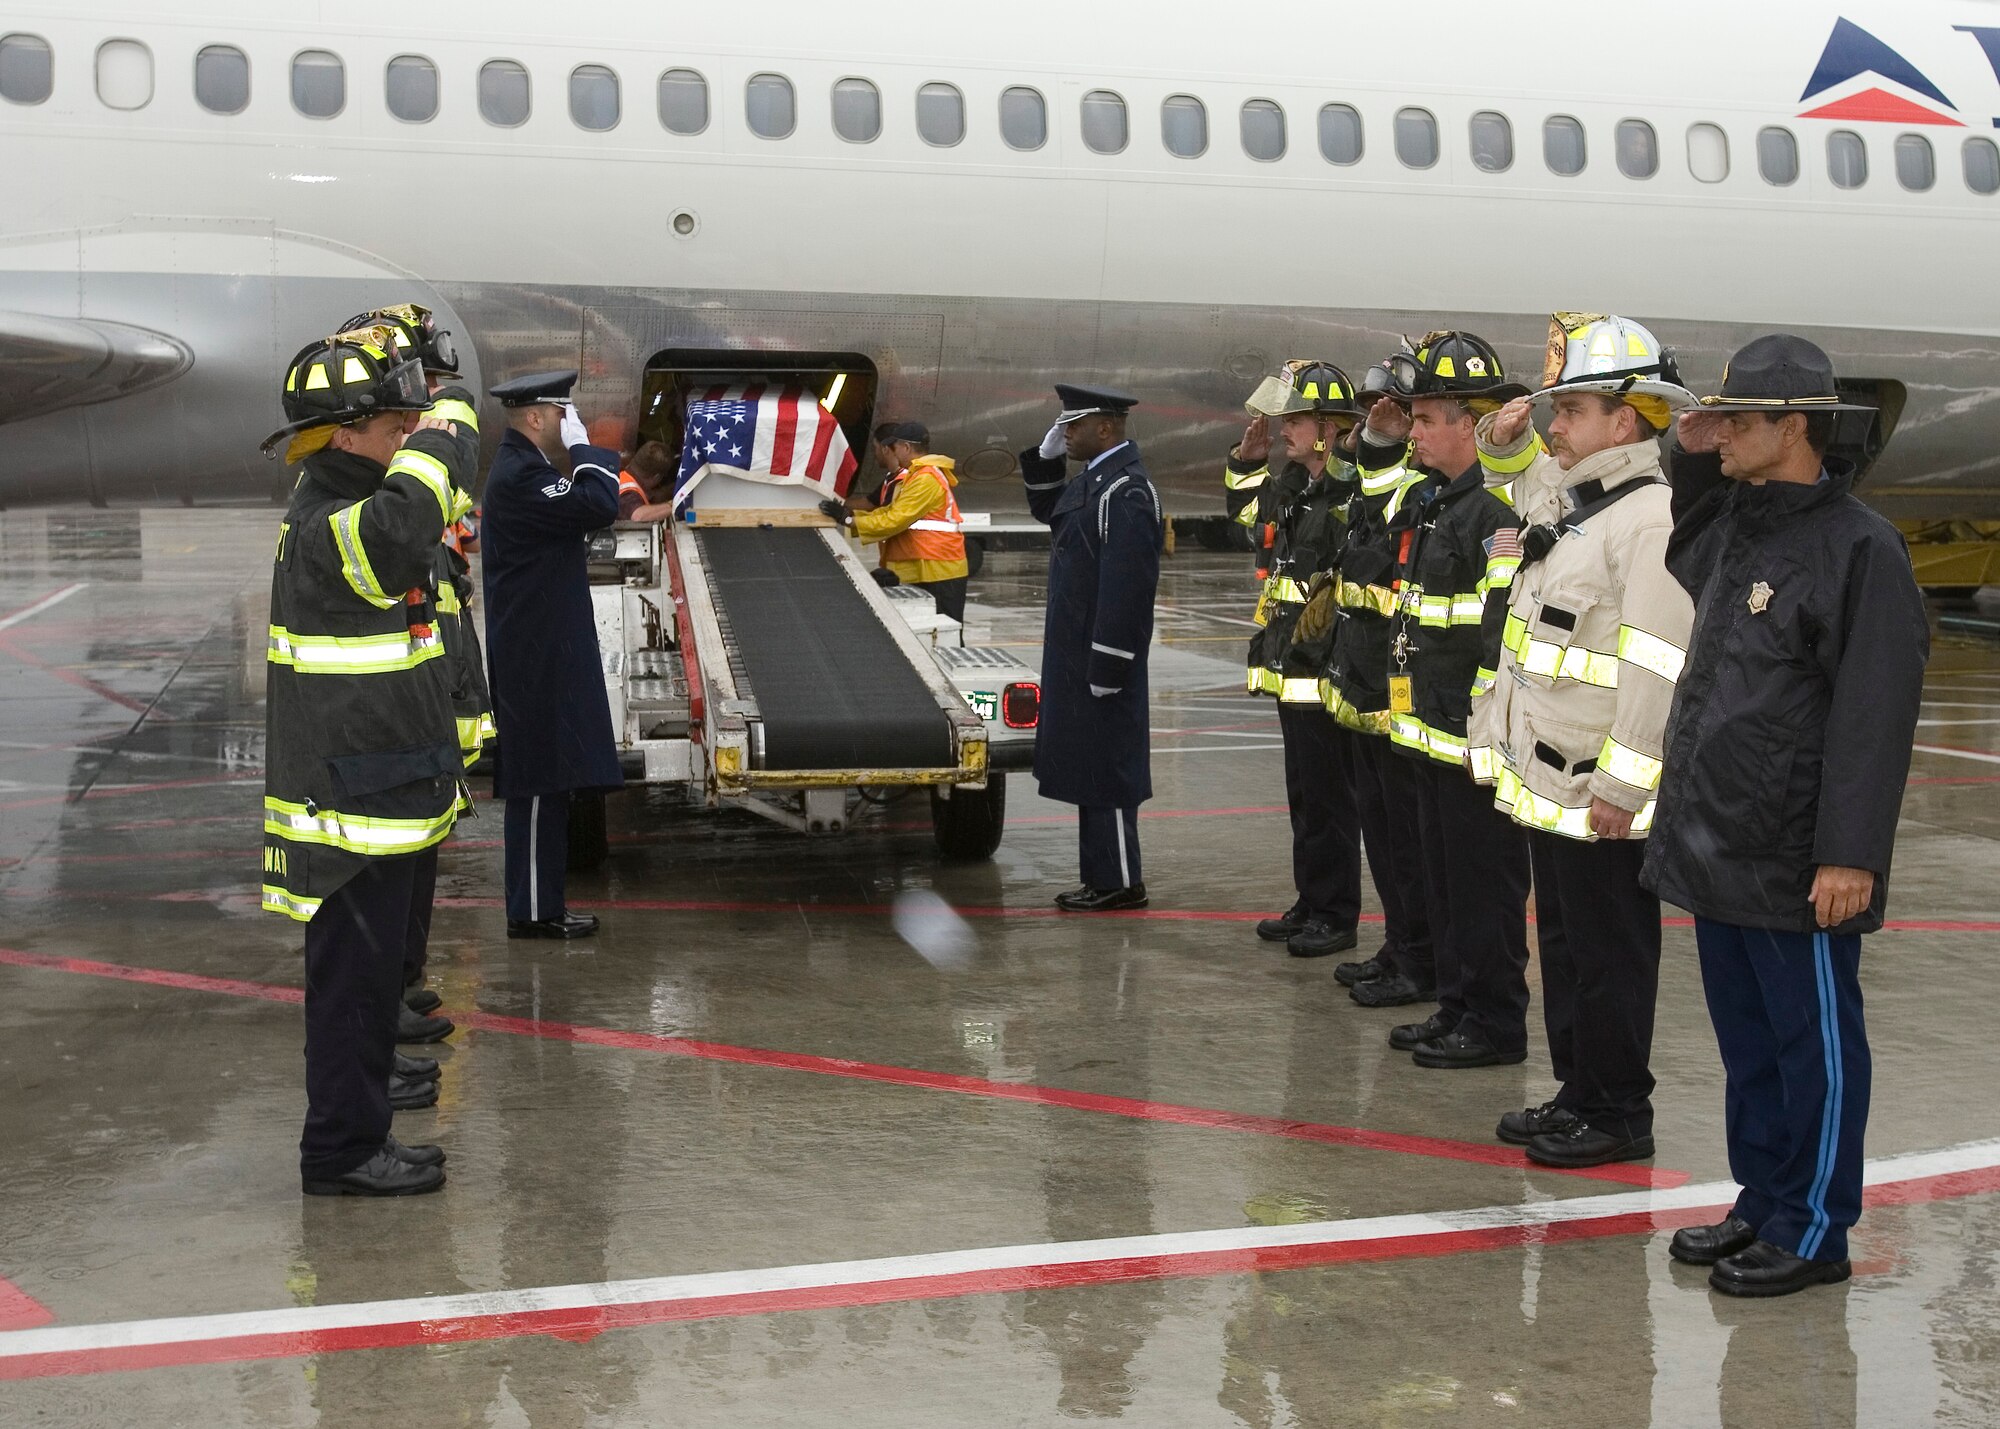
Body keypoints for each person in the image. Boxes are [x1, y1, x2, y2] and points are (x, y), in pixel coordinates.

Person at [1643, 334, 1929, 1297]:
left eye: (1736, 422)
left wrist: (1849, 854)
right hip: (1717, 835)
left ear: (1793, 429)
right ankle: (1762, 1198)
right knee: (1749, 1042)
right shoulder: (1741, 521)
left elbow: (1873, 716)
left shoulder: (1862, 549)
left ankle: (1815, 1227)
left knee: (1816, 1047)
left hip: (1796, 853)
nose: (1718, 434)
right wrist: (1690, 448)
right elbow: (1684, 547)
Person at [1468, 314, 1698, 1167]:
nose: (1553, 425)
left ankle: (1616, 1112)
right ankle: (1577, 1092)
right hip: (1555, 788)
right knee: (1565, 950)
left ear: (1626, 421)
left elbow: (1656, 664)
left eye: (1571, 410)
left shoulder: (1649, 521)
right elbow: (1523, 494)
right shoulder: (1582, 509)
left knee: (1609, 956)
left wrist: (1625, 786)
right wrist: (1509, 447)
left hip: (1602, 794)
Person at [258, 327, 462, 1195]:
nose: (404, 442)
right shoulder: (335, 523)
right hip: (351, 817)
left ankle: (364, 1110)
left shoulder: (338, 496)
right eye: (392, 430)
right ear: (344, 435)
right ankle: (342, 1150)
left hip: (378, 792)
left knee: (370, 985)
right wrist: (449, 423)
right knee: (349, 992)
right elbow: (412, 517)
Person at [1372, 332, 1536, 1069]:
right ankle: (1456, 1005)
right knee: (1444, 883)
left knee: (1482, 889)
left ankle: (1494, 1022)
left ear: (1467, 425)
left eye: (1426, 417)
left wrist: (1482, 732)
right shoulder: (1440, 505)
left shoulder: (1493, 514)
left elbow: (1497, 632)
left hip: (1471, 744)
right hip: (1429, 735)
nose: (1414, 429)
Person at [340, 303, 486, 1049]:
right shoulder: (377, 479)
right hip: (386, 728)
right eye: (419, 380)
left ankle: (400, 977)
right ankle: (386, 997)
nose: (426, 397)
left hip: (428, 705)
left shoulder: (406, 455)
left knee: (415, 864)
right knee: (385, 875)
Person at [1223, 361, 1365, 958]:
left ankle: (1334, 914)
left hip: (1323, 669)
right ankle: (1311, 901)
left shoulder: (1349, 489)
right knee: (1305, 797)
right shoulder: (1293, 482)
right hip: (1291, 665)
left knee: (1330, 803)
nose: (1284, 428)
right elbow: (1250, 520)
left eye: (1297, 420)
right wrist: (1245, 464)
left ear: (1330, 428)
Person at [480, 370, 625, 940]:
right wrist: (586, 450)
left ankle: (542, 904)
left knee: (553, 778)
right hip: (533, 653)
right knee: (540, 781)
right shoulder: (520, 475)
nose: (570, 423)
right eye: (563, 414)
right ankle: (534, 911)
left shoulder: (529, 469)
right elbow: (597, 504)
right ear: (537, 417)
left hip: (541, 646)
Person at [1313, 360, 1438, 1008]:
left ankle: (1420, 958)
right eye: (1371, 407)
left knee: (1405, 838)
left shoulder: (1416, 483)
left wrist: (1383, 444)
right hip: (1363, 676)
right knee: (1381, 835)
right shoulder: (1377, 473)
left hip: (1397, 683)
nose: (1375, 416)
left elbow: (1386, 509)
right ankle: (1399, 945)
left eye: (1391, 406)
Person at [1018, 384, 1162, 911]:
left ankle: (1122, 882)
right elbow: (1049, 511)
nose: (1066, 434)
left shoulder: (1125, 492)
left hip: (1101, 656)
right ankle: (1100, 877)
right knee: (1089, 767)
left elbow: (1127, 588)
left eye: (1072, 427)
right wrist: (1044, 458)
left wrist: (1111, 660)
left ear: (1105, 428)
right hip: (1076, 654)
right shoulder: (1096, 482)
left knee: (1109, 772)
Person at [819, 421, 971, 620]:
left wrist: (848, 520)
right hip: (929, 565)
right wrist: (850, 518)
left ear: (906, 448)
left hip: (938, 568)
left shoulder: (925, 478)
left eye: (895, 446)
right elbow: (889, 512)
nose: (891, 451)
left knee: (944, 635)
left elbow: (895, 520)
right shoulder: (916, 477)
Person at [618, 440, 676, 521]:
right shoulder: (628, 492)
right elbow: (638, 516)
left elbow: (651, 497)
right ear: (656, 476)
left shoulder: (623, 476)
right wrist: (674, 505)